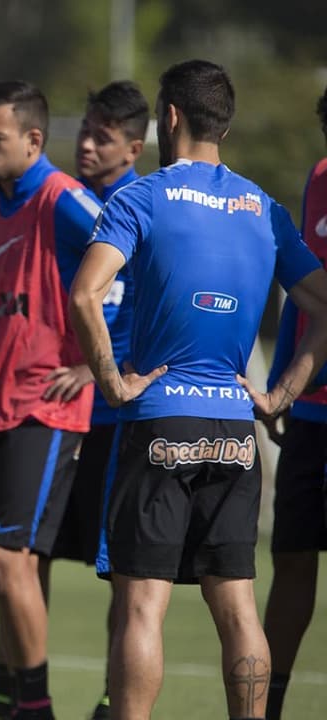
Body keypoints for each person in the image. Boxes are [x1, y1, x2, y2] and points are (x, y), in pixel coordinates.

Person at [70, 59, 327, 720]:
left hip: (159, 422)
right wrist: (280, 394)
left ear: (171, 117)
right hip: (235, 432)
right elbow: (324, 305)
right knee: (238, 603)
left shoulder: (141, 197)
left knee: (142, 603)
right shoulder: (263, 210)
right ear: (227, 124)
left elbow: (86, 293)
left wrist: (112, 380)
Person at [0, 79, 102, 720]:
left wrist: (94, 363)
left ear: (33, 140)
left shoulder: (62, 200)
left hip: (43, 408)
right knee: (21, 564)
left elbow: (140, 261)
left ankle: (37, 706)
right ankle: (12, 693)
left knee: (3, 556)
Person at [51, 79, 149, 720]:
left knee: (122, 570)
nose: (86, 143)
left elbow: (150, 311)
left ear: (134, 147)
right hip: (60, 414)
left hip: (116, 414)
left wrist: (95, 371)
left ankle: (117, 698)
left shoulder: (143, 207)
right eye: (84, 130)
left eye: (102, 136)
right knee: (26, 551)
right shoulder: (71, 204)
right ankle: (18, 684)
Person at [260, 83, 327, 720]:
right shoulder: (318, 177)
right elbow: (302, 295)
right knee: (291, 559)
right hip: (310, 412)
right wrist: (284, 386)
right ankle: (270, 706)